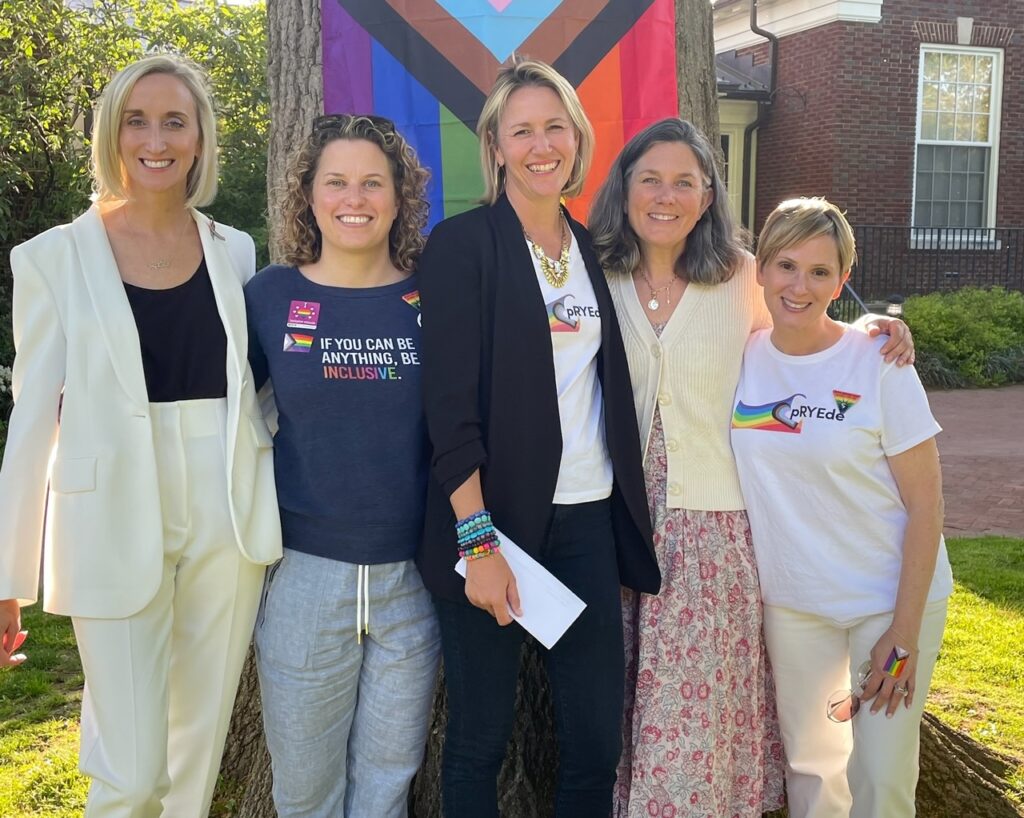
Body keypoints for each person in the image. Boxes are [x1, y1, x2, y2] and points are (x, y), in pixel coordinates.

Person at [589, 119, 916, 818]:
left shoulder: (741, 275)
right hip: (616, 526)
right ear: (624, 188)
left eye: (686, 181)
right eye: (650, 178)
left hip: (711, 536)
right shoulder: (594, 272)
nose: (666, 195)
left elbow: (805, 320)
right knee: (618, 720)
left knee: (695, 726)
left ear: (709, 195)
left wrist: (872, 332)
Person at [0, 54, 281, 816]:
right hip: (111, 508)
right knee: (128, 769)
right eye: (137, 120)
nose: (155, 139)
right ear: (112, 134)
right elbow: (31, 421)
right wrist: (8, 581)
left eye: (174, 121)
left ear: (199, 140)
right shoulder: (53, 259)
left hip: (225, 506)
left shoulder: (234, 250)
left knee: (196, 756)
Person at [417, 58, 660, 817]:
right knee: (478, 742)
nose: (541, 144)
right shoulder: (463, 245)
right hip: (494, 524)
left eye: (555, 127)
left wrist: (863, 332)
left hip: (586, 521)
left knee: (594, 744)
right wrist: (479, 541)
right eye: (522, 130)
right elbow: (447, 408)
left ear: (578, 139)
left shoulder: (595, 250)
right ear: (494, 145)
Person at [730, 197, 951, 818]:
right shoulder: (742, 357)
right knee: (812, 771)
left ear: (841, 281)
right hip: (796, 605)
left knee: (880, 774)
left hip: (889, 602)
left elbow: (928, 505)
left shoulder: (878, 361)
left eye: (820, 272)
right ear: (761, 270)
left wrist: (902, 636)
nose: (799, 286)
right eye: (786, 266)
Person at [246, 114, 440, 817]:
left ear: (399, 196)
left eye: (371, 182)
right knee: (304, 793)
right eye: (335, 181)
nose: (353, 198)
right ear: (309, 195)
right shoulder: (269, 296)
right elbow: (213, 414)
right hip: (303, 580)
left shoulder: (433, 296)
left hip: (411, 584)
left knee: (388, 785)